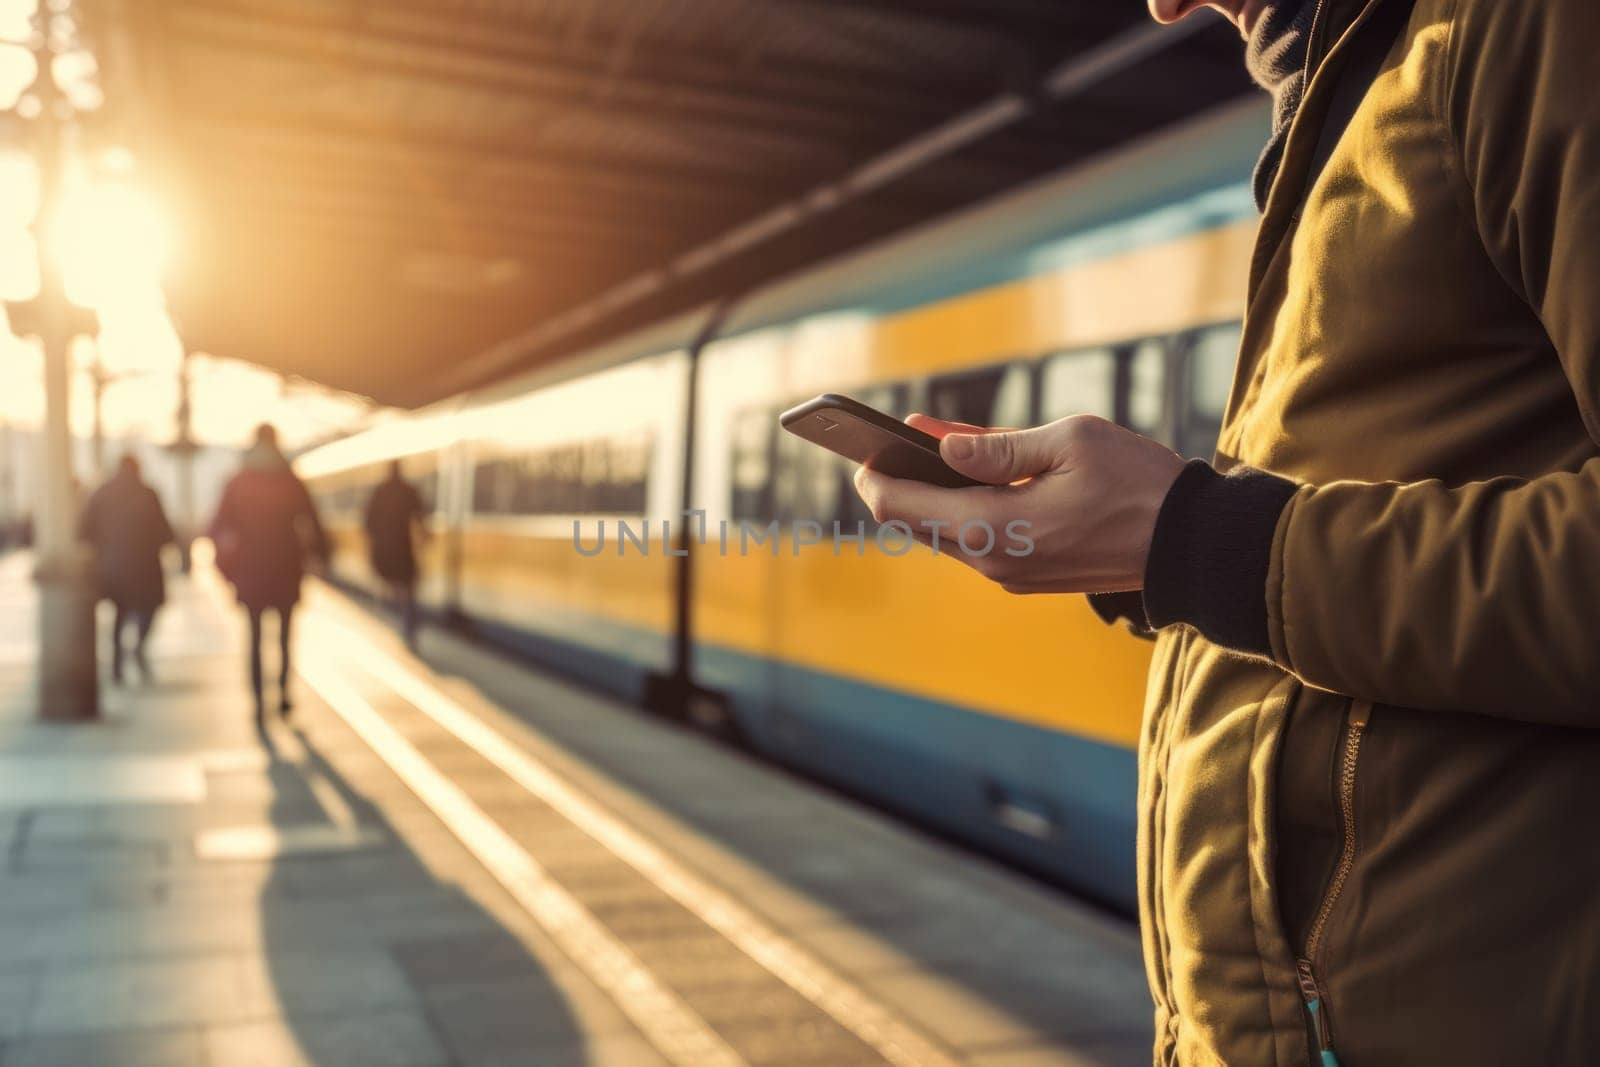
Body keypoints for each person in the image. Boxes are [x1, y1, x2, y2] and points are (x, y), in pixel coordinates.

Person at [854, 0, 1600, 1063]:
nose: (1160, 7)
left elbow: (1263, 553)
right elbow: (1324, 556)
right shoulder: (1340, 102)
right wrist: (1147, 559)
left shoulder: (1523, 29)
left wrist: (1194, 541)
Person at [210, 424, 327, 725]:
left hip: (251, 573)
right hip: (286, 569)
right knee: (286, 637)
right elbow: (313, 523)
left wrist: (228, 571)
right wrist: (320, 558)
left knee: (254, 638)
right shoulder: (290, 480)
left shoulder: (238, 482)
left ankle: (259, 702)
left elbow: (216, 527)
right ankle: (285, 695)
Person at [78, 454, 174, 684]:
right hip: (145, 565)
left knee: (119, 615)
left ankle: (117, 665)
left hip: (111, 566)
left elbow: (83, 530)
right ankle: (138, 648)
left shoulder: (101, 493)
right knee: (148, 609)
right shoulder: (148, 493)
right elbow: (165, 531)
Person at [362, 460, 427, 646]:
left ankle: (387, 622)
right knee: (408, 588)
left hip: (384, 549)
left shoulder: (379, 492)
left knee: (387, 585)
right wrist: (423, 539)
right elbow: (420, 517)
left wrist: (375, 542)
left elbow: (367, 522)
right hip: (404, 548)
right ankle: (408, 625)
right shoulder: (409, 491)